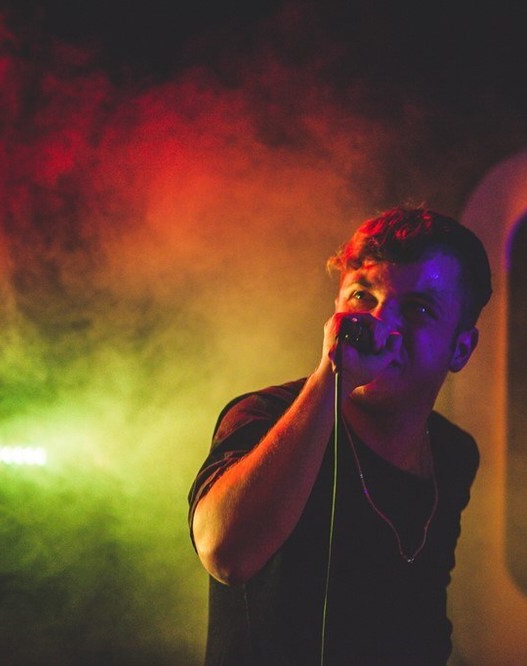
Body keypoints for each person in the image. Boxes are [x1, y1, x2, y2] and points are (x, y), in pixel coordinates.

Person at [188, 206, 492, 664]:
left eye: (418, 309)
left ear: (461, 349)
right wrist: (331, 377)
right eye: (362, 297)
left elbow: (421, 616)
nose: (381, 324)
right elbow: (225, 553)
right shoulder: (266, 415)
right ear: (336, 312)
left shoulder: (452, 452)